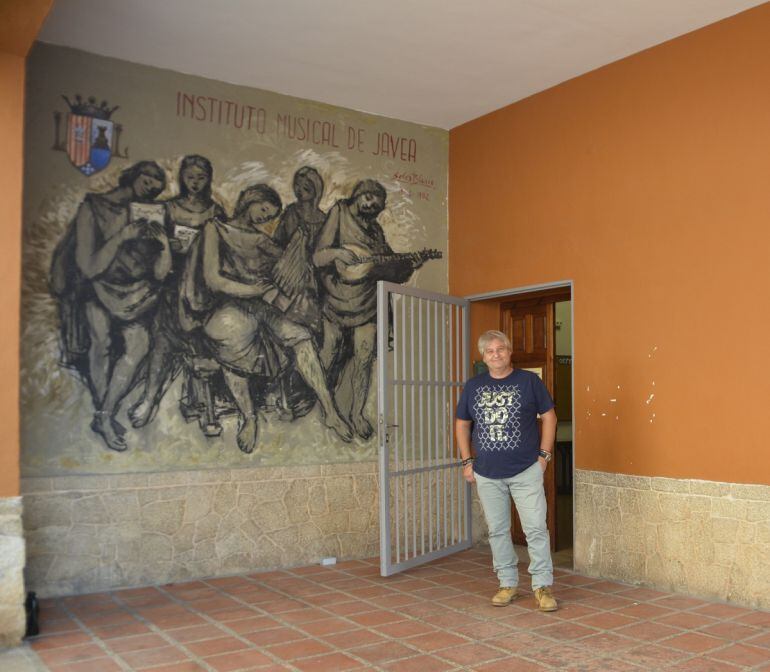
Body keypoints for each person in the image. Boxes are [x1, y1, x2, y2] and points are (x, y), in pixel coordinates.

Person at [181, 183, 352, 453]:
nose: (265, 218)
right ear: (250, 199)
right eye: (263, 209)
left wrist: (301, 246)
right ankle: (249, 418)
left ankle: (330, 410)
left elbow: (288, 261)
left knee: (300, 335)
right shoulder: (216, 229)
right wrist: (253, 290)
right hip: (226, 304)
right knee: (234, 340)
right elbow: (214, 280)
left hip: (260, 303)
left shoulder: (260, 239)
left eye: (270, 215)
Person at [63, 161, 170, 451]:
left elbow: (158, 271)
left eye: (157, 187)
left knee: (139, 347)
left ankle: (104, 414)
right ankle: (104, 416)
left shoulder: (151, 215)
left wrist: (162, 244)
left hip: (135, 293)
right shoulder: (94, 207)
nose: (152, 189)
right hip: (97, 288)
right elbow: (88, 267)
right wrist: (122, 237)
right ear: (133, 176)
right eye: (148, 181)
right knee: (103, 344)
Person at [455, 330, 558, 611]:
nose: (496, 354)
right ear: (483, 357)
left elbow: (549, 416)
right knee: (498, 530)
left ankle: (542, 585)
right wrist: (467, 462)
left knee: (536, 528)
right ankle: (508, 583)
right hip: (487, 472)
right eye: (490, 351)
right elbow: (462, 424)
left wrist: (544, 456)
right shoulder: (474, 387)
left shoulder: (528, 382)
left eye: (500, 349)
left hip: (526, 470)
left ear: (510, 352)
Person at [313, 179, 422, 439]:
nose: (372, 204)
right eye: (369, 197)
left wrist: (409, 265)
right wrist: (338, 253)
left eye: (377, 202)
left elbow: (388, 268)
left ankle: (357, 413)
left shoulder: (374, 232)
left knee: (364, 359)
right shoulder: (338, 213)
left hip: (368, 303)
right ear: (358, 196)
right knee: (328, 354)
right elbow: (317, 257)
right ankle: (328, 410)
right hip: (336, 298)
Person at [128, 155, 228, 431]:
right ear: (182, 178)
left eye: (201, 177)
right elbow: (147, 245)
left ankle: (210, 407)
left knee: (206, 344)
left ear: (208, 180)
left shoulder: (215, 212)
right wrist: (166, 244)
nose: (195, 183)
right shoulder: (169, 208)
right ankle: (149, 399)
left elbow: (224, 252)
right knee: (162, 340)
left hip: (203, 288)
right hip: (172, 284)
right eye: (190, 177)